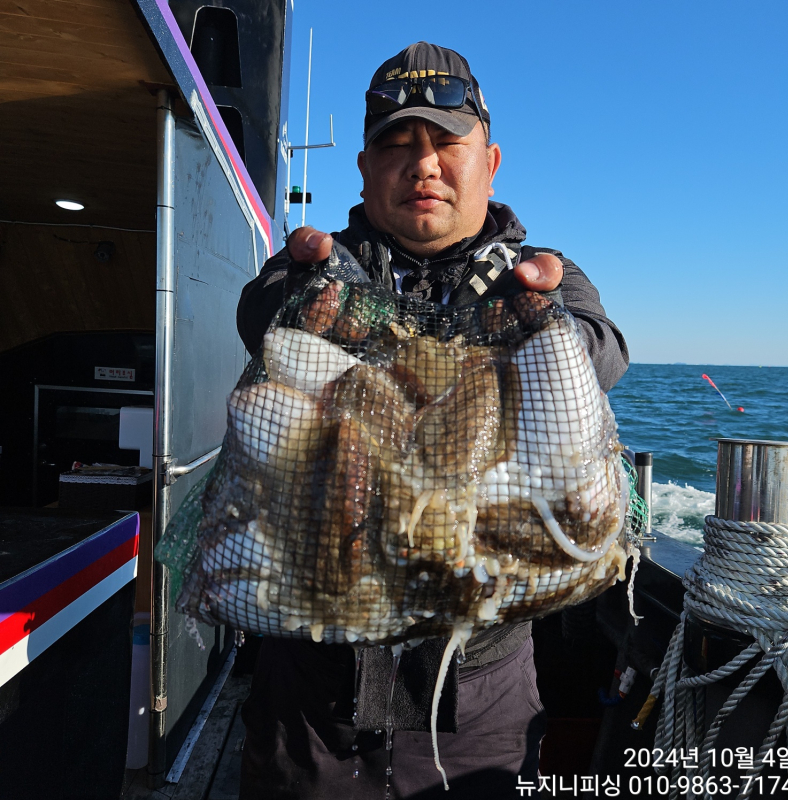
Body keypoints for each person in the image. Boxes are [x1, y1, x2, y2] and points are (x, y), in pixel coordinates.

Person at [236, 42, 628, 800]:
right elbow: (262, 313)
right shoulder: (315, 261)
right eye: (397, 145)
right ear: (363, 168)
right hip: (310, 699)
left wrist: (542, 324)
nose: (423, 165)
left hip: (480, 699)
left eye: (447, 142)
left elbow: (600, 349)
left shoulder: (542, 272)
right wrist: (301, 300)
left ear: (491, 158)